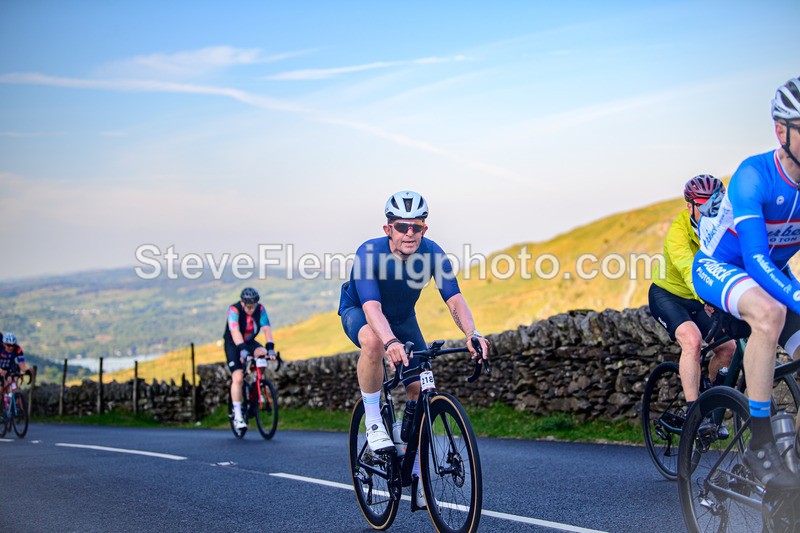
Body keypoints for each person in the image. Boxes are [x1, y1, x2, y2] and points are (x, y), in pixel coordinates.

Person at [338, 190, 490, 508]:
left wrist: (472, 333)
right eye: (402, 226)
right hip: (361, 312)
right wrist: (390, 341)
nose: (410, 233)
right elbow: (371, 307)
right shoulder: (369, 253)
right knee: (374, 342)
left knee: (420, 386)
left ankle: (417, 471)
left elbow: (454, 299)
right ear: (387, 229)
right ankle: (374, 422)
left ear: (425, 229)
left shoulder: (433, 253)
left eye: (416, 226)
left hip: (404, 319)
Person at [693, 76, 800, 490]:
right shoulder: (754, 175)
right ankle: (759, 442)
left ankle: (790, 466)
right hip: (724, 266)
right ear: (782, 131)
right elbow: (755, 260)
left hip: (771, 272)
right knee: (769, 313)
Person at [648, 175, 737, 419]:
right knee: (693, 341)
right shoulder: (678, 232)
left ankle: (710, 400)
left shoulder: (724, 226)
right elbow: (690, 269)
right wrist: (707, 299)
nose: (711, 211)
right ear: (690, 206)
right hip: (669, 295)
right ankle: (693, 414)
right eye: (703, 205)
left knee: (728, 347)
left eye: (716, 204)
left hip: (701, 296)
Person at [223, 287, 275, 430]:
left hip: (250, 341)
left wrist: (270, 346)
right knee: (238, 377)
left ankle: (258, 383)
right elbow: (234, 330)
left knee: (263, 354)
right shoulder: (234, 309)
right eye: (249, 306)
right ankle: (238, 416)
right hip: (233, 343)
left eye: (254, 306)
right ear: (242, 303)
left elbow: (266, 328)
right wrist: (242, 350)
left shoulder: (260, 309)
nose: (252, 309)